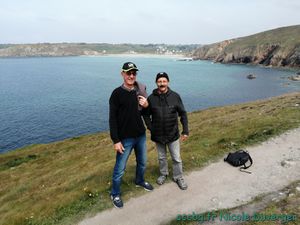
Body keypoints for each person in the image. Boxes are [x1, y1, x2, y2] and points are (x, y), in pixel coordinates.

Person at [109, 62, 154, 209]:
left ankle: (139, 181)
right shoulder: (116, 94)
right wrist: (116, 140)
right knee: (120, 168)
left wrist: (147, 106)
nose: (131, 75)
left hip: (140, 135)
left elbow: (145, 113)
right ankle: (115, 193)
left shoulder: (139, 91)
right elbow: (112, 119)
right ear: (122, 73)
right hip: (125, 138)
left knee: (142, 162)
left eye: (134, 73)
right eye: (128, 73)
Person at [144, 72, 189, 190]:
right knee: (161, 157)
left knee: (176, 158)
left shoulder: (175, 96)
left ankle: (178, 177)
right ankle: (163, 174)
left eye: (164, 81)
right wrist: (150, 127)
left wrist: (185, 131)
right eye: (159, 81)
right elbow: (145, 114)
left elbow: (183, 114)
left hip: (172, 134)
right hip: (158, 135)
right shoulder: (151, 98)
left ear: (168, 82)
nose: (162, 84)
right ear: (156, 83)